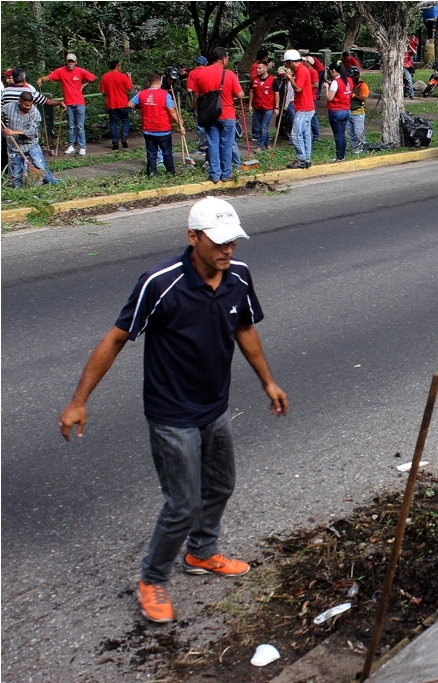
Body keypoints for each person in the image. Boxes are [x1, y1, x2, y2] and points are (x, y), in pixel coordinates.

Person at [58, 197, 288, 624]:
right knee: (182, 502)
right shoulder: (159, 282)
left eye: (233, 241)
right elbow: (114, 339)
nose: (227, 250)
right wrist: (78, 402)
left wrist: (267, 381)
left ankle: (201, 553)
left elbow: (244, 328)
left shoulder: (238, 276)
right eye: (218, 242)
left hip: (214, 405)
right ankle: (152, 579)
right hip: (171, 412)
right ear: (193, 237)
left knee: (220, 486)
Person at [191, 47, 244, 183]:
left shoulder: (201, 74)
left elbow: (196, 95)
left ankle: (214, 174)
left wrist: (197, 111)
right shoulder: (230, 74)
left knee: (213, 144)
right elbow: (240, 95)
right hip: (227, 114)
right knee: (226, 144)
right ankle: (226, 174)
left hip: (209, 115)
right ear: (224, 58)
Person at [39, 53, 96, 156]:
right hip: (68, 102)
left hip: (79, 102)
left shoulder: (81, 71)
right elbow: (49, 77)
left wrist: (83, 85)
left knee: (80, 125)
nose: (71, 63)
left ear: (76, 62)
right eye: (69, 61)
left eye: (72, 61)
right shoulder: (61, 71)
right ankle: (71, 145)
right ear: (66, 62)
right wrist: (41, 79)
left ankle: (82, 146)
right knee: (71, 126)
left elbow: (93, 78)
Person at [128, 73, 184, 176]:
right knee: (166, 152)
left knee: (151, 153)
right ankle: (170, 173)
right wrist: (180, 124)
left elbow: (130, 104)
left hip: (148, 129)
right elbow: (171, 111)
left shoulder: (141, 94)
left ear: (150, 83)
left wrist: (141, 107)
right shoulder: (165, 94)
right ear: (159, 82)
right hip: (163, 129)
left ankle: (152, 173)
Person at [2, 91, 58, 186]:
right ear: (20, 101)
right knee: (16, 174)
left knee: (41, 166)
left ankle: (53, 184)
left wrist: (12, 132)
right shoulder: (8, 107)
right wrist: (3, 124)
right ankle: (18, 190)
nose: (28, 107)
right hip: (14, 146)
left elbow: (31, 132)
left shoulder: (35, 113)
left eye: (30, 105)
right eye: (26, 105)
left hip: (31, 144)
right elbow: (2, 115)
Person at [282, 49, 313, 169]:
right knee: (306, 134)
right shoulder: (301, 70)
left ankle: (301, 158)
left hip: (303, 108)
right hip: (306, 107)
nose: (286, 66)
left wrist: (290, 78)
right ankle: (306, 158)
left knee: (295, 135)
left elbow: (298, 88)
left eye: (286, 63)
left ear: (290, 62)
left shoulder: (301, 70)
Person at [100, 60, 134, 150]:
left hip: (111, 104)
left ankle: (115, 142)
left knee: (113, 123)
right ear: (118, 66)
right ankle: (124, 135)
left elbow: (103, 91)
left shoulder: (105, 77)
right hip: (123, 103)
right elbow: (130, 89)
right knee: (125, 120)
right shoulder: (123, 76)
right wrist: (129, 77)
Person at [326, 62, 352, 163]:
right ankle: (342, 156)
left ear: (334, 71)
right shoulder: (348, 80)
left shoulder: (335, 82)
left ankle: (339, 157)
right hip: (346, 110)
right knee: (342, 134)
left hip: (336, 111)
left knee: (338, 135)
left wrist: (327, 88)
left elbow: (329, 97)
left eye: (331, 72)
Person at [248, 61, 277, 151]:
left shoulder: (273, 80)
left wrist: (276, 107)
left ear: (265, 68)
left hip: (268, 107)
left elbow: (277, 94)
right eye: (257, 68)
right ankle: (267, 143)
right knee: (261, 127)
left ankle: (259, 146)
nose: (257, 70)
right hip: (257, 106)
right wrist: (250, 105)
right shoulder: (254, 79)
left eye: (260, 68)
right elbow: (251, 92)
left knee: (264, 127)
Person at [186, 56, 210, 154]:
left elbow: (189, 89)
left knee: (200, 125)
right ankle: (210, 146)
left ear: (196, 64)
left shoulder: (192, 73)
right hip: (210, 102)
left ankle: (202, 148)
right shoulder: (209, 71)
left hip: (199, 101)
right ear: (205, 64)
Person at [347, 66, 369, 154]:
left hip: (358, 112)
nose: (350, 79)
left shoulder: (362, 85)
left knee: (359, 133)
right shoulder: (349, 84)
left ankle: (363, 148)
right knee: (351, 133)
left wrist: (354, 96)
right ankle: (354, 148)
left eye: (351, 77)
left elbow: (364, 98)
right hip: (349, 112)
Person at [301, 55, 322, 142]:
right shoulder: (305, 71)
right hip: (307, 96)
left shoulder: (313, 72)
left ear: (308, 63)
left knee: (312, 116)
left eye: (304, 61)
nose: (302, 63)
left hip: (311, 96)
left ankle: (316, 134)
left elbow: (316, 84)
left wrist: (305, 86)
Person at [273, 65, 293, 141]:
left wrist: (286, 105)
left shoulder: (289, 82)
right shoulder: (278, 81)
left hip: (288, 103)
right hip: (281, 102)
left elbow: (290, 94)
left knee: (288, 119)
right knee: (280, 118)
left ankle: (287, 133)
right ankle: (281, 132)